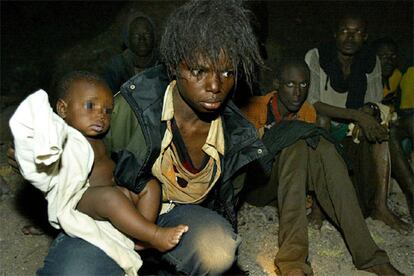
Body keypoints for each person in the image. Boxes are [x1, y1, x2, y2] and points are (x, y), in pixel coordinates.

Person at [7, 1, 266, 275]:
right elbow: (75, 161)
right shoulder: (132, 108)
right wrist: (36, 159)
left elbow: (226, 201)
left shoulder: (236, 133)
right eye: (199, 71)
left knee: (217, 248)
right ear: (176, 65)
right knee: (74, 271)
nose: (215, 86)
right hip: (114, 215)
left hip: (173, 214)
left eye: (227, 72)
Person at [9, 71, 189, 275]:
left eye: (107, 110)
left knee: (150, 186)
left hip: (113, 194)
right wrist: (29, 153)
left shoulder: (103, 138)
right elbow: (43, 147)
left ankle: (139, 235)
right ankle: (155, 235)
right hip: (81, 200)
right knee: (110, 198)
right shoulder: (64, 135)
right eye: (90, 106)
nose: (101, 114)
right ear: (62, 109)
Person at [238, 58, 403, 276]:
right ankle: (292, 261)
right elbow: (242, 164)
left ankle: (370, 256)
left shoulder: (307, 112)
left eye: (303, 85)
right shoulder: (255, 108)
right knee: (295, 141)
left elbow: (308, 166)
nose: (297, 92)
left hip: (290, 185)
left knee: (324, 147)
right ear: (277, 84)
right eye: (290, 85)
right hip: (259, 185)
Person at [304, 12, 411, 232]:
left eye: (357, 33)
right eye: (344, 31)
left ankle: (381, 206)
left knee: (380, 125)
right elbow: (312, 102)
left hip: (351, 129)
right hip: (321, 125)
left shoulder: (369, 61)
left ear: (365, 37)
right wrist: (356, 114)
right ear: (335, 33)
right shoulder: (316, 57)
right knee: (322, 120)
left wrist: (367, 111)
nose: (350, 38)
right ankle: (317, 206)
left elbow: (374, 102)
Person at [373, 37, 414, 221]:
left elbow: (406, 110)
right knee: (391, 133)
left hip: (395, 125)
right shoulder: (365, 76)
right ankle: (411, 192)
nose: (388, 60)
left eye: (392, 56)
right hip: (373, 131)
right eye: (382, 56)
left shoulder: (400, 76)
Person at [103, 13, 159, 93]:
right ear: (128, 39)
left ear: (154, 37)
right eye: (136, 35)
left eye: (147, 34)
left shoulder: (163, 62)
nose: (141, 39)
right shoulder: (117, 67)